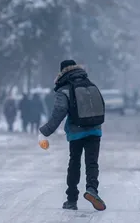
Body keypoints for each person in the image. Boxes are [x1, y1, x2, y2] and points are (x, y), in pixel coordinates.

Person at [38, 60, 106, 211]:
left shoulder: (65, 89)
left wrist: (45, 131)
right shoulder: (90, 84)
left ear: (62, 72)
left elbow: (59, 113)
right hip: (95, 129)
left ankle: (71, 199)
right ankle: (92, 189)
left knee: (74, 162)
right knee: (92, 162)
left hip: (77, 132)